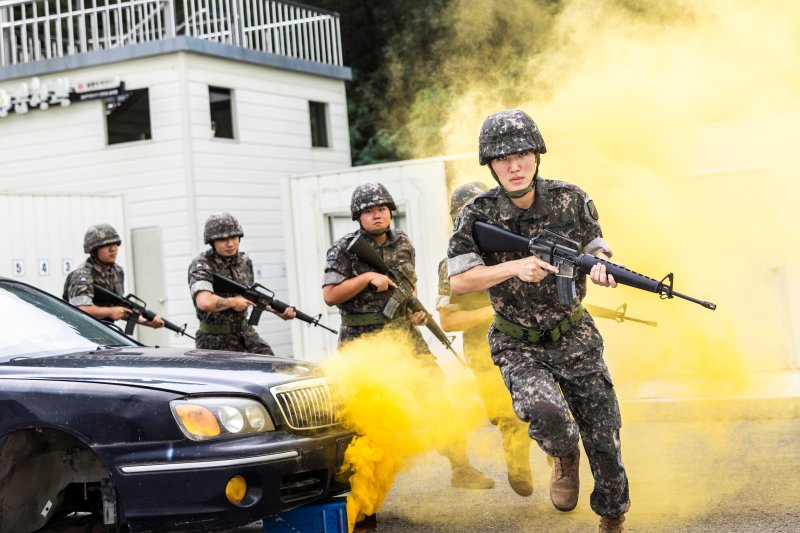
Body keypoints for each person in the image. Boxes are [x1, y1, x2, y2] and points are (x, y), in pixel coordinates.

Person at [447, 109, 630, 533]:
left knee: (604, 437)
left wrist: (601, 263)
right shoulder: (475, 214)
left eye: (523, 154)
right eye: (502, 158)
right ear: (490, 165)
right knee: (545, 411)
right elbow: (459, 281)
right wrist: (513, 268)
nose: (514, 165)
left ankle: (612, 516)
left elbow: (595, 241)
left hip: (575, 334)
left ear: (537, 156)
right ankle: (564, 455)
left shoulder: (571, 197)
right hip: (518, 341)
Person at [323, 182, 494, 490]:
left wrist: (414, 310)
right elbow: (330, 294)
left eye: (382, 210)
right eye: (369, 212)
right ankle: (356, 488)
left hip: (402, 334)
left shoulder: (402, 241)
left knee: (435, 395)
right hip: (362, 341)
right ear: (357, 217)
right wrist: (366, 278)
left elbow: (408, 285)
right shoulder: (344, 248)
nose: (377, 216)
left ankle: (461, 468)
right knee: (362, 414)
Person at [437, 181, 534, 497]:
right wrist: (493, 312)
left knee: (546, 401)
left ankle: (558, 457)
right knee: (508, 415)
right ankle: (518, 462)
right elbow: (449, 321)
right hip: (486, 349)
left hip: (528, 338)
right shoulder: (452, 263)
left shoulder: (514, 246)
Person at [188, 212, 295, 353]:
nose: (230, 243)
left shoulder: (244, 261)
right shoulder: (202, 264)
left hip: (245, 334)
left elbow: (249, 296)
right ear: (212, 242)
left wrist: (277, 311)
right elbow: (205, 302)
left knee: (272, 366)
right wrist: (232, 302)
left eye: (234, 237)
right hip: (214, 342)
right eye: (222, 239)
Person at [64, 224, 165, 330]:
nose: (113, 249)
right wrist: (111, 312)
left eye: (115, 244)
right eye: (106, 245)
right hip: (80, 332)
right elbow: (80, 309)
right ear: (94, 250)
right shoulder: (82, 274)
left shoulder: (117, 271)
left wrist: (148, 322)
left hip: (105, 330)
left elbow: (120, 309)